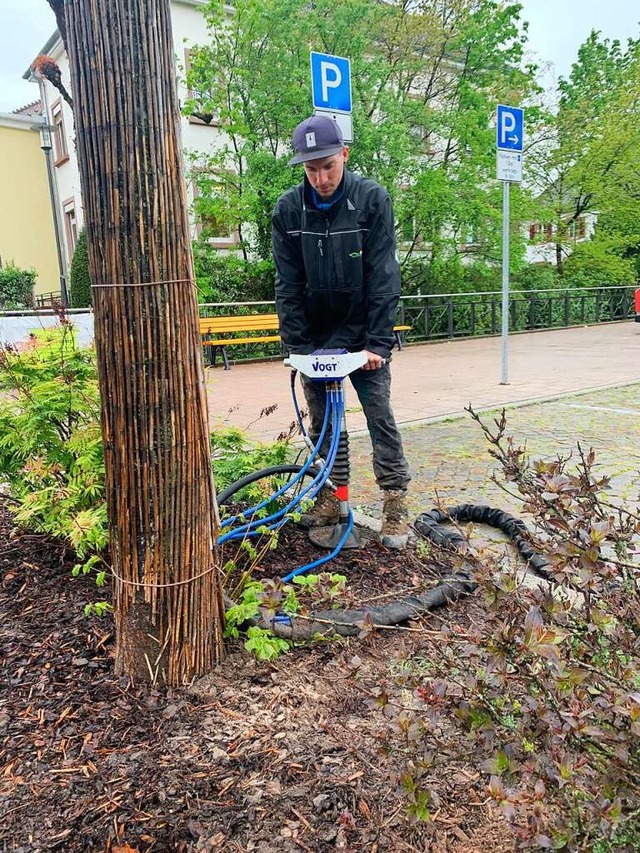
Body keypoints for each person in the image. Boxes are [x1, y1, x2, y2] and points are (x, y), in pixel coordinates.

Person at [271, 114, 411, 549]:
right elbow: (288, 283)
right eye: (311, 169)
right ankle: (331, 497)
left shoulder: (371, 200)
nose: (321, 177)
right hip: (316, 337)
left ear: (344, 155)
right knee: (325, 424)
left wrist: (377, 342)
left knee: (379, 416)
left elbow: (384, 274)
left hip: (364, 336)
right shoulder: (289, 210)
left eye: (328, 166)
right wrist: (297, 345)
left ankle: (394, 500)